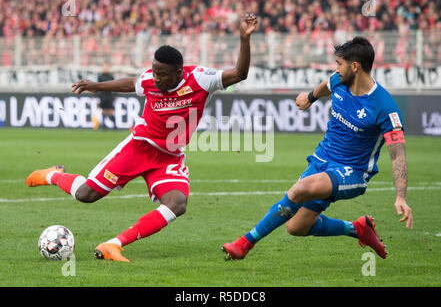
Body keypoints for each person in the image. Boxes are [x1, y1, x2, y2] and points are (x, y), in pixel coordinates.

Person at [26, 13, 259, 263]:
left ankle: (113, 245)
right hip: (138, 149)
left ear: (179, 72)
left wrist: (244, 39)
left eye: (162, 74)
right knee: (85, 195)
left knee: (177, 203)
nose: (155, 78)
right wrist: (97, 86)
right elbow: (132, 84)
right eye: (155, 72)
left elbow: (239, 74)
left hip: (169, 157)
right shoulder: (150, 80)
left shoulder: (200, 80)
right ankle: (51, 174)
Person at [222, 37, 413, 260]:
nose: (336, 69)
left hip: (353, 171)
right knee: (296, 227)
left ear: (355, 66)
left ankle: (245, 243)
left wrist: (401, 197)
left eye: (339, 64)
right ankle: (359, 229)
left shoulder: (384, 107)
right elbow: (326, 86)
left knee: (298, 190)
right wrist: (310, 98)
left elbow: (398, 155)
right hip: (322, 159)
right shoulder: (339, 80)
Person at [96, 61, 116, 130]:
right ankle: (104, 126)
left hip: (110, 96)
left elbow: (115, 86)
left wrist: (116, 95)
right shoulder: (100, 77)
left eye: (106, 67)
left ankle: (115, 126)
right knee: (103, 111)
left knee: (111, 111)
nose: (105, 68)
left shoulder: (111, 77)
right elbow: (97, 88)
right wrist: (96, 97)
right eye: (104, 67)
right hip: (103, 96)